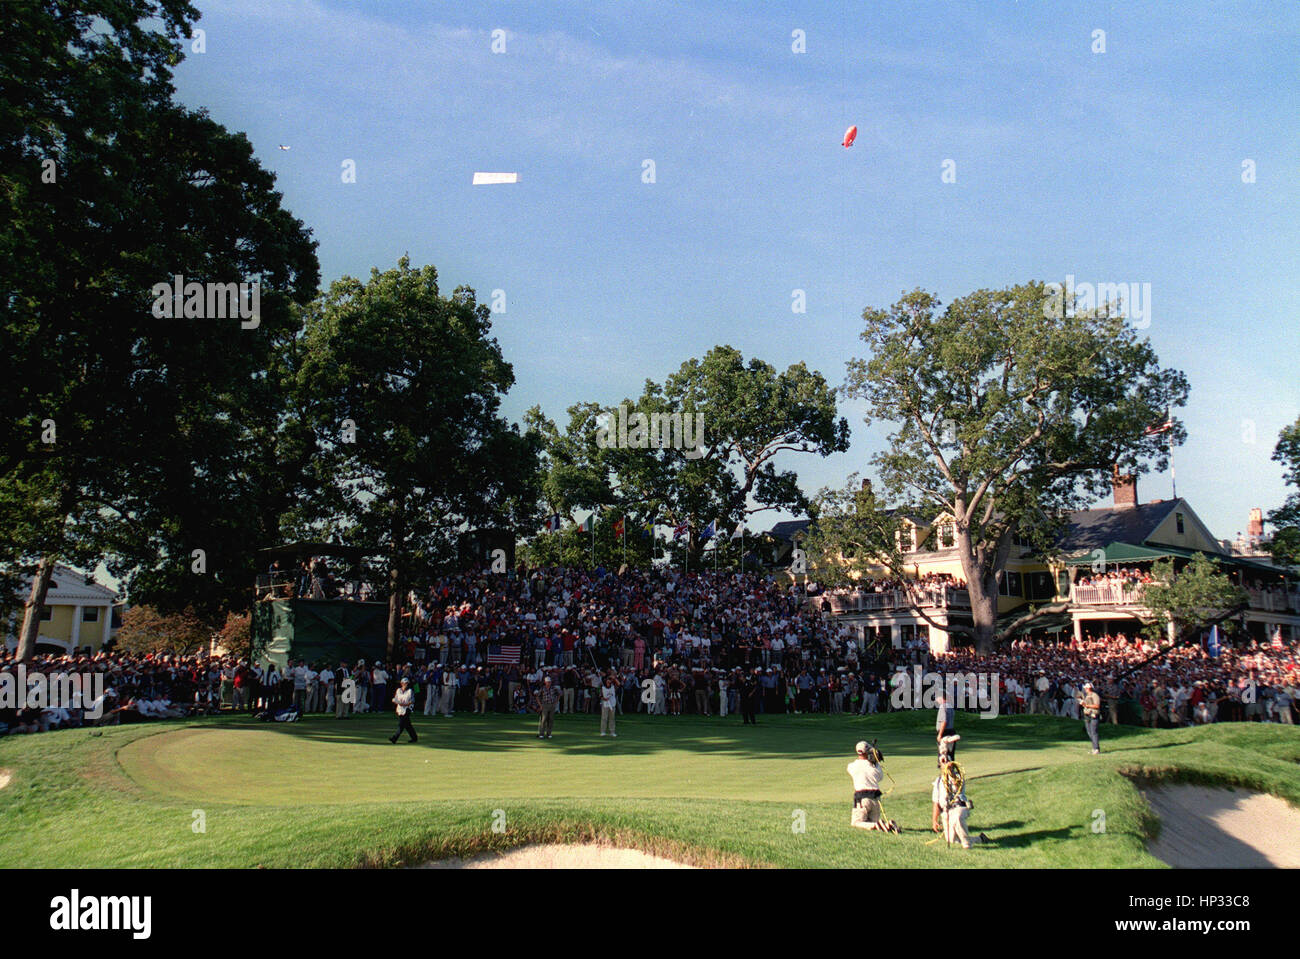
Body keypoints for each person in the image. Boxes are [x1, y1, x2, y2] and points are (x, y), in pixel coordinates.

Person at [847, 741, 898, 833]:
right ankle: (888, 825)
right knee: (871, 823)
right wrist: (876, 762)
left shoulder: (852, 766)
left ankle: (877, 824)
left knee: (856, 822)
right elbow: (880, 777)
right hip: (876, 799)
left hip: (862, 798)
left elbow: (853, 767)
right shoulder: (874, 768)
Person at [931, 761, 972, 849]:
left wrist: (951, 773)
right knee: (952, 840)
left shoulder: (958, 776)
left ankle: (967, 845)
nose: (945, 764)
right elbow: (936, 802)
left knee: (957, 818)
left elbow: (957, 786)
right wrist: (934, 821)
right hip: (946, 811)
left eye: (947, 761)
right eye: (943, 763)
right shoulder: (938, 781)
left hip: (959, 807)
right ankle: (980, 839)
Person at [389, 677, 418, 744]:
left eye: (407, 683)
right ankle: (414, 738)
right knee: (407, 725)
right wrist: (397, 702)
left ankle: (394, 738)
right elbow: (395, 699)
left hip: (407, 709)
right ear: (401, 683)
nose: (406, 684)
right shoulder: (398, 690)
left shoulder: (410, 691)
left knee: (401, 725)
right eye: (404, 683)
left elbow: (412, 701)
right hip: (400, 709)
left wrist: (405, 704)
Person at [1079, 681, 1102, 754]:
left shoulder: (1094, 695)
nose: (1085, 689)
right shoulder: (1086, 696)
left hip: (1093, 714)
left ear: (1089, 688)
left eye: (1086, 688)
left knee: (1094, 732)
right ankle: (1094, 747)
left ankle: (1096, 748)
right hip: (1087, 715)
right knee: (1089, 732)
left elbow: (1097, 706)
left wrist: (1087, 706)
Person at [936, 692, 957, 766]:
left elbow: (944, 721)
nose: (936, 700)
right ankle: (952, 773)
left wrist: (940, 734)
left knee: (943, 755)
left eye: (937, 698)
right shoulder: (950, 707)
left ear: (942, 698)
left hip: (945, 732)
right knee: (950, 754)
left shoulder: (943, 707)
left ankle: (945, 774)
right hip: (951, 731)